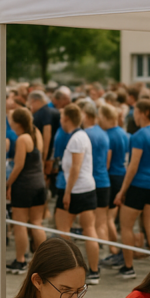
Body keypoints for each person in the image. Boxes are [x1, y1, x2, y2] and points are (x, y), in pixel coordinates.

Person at [113, 99, 150, 279]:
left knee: (126, 226)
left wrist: (122, 191)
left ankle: (128, 267)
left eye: (135, 112)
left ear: (144, 113)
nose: (133, 116)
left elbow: (133, 166)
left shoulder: (139, 136)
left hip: (139, 185)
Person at [56, 104, 100, 283]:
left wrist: (67, 192)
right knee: (89, 229)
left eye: (61, 117)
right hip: (87, 187)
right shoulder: (81, 136)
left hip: (76, 189)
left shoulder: (76, 138)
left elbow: (75, 167)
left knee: (63, 230)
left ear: (66, 119)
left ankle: (68, 269)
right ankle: (93, 271)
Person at [6, 107, 47, 274]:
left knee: (20, 224)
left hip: (25, 186)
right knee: (37, 223)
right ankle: (45, 259)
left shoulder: (22, 139)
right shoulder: (36, 132)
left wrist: (8, 184)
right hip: (39, 183)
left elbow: (19, 165)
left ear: (16, 122)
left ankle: (21, 259)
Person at [82, 101, 111, 267]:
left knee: (92, 224)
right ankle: (104, 252)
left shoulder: (86, 134)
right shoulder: (103, 132)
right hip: (104, 179)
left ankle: (98, 256)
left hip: (92, 181)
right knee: (102, 221)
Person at [100, 104, 129, 268]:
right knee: (115, 218)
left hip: (112, 176)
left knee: (109, 218)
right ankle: (117, 251)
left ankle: (115, 251)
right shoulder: (123, 133)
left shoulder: (108, 135)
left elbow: (107, 161)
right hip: (122, 175)